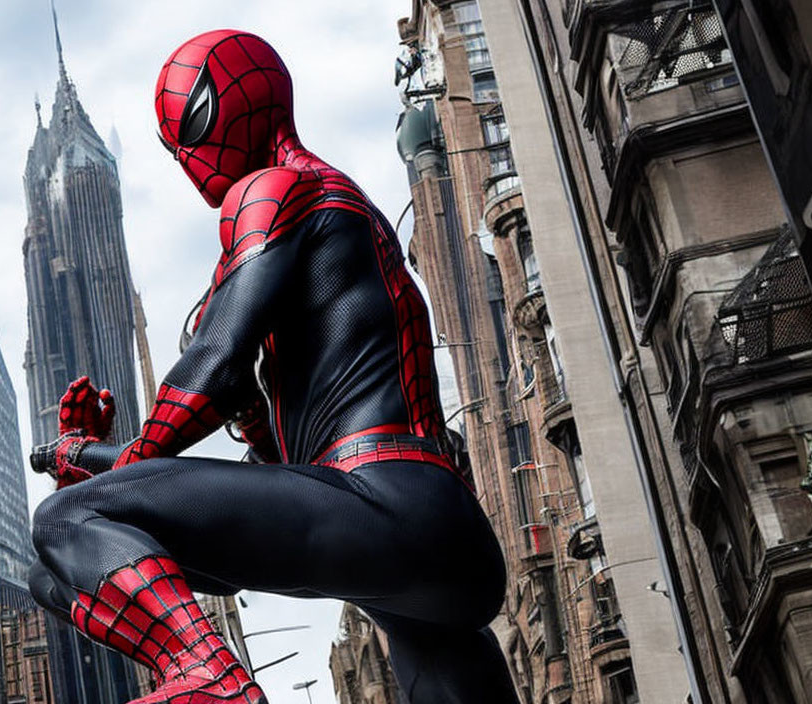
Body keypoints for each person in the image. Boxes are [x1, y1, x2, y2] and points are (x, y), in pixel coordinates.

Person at [28, 29, 520, 704]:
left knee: (63, 522)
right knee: (57, 576)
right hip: (437, 554)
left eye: (188, 131)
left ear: (235, 102)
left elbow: (218, 361)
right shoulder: (339, 223)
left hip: (382, 499)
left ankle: (209, 675)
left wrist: (122, 464)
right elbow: (264, 477)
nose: (188, 159)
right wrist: (91, 455)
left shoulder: (275, 186)